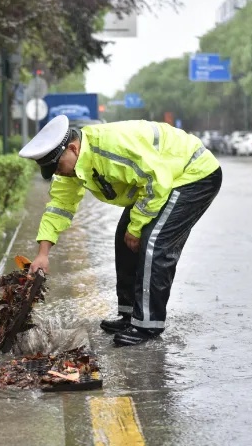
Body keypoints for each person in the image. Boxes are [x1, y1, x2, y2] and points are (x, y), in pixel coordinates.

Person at [18, 115, 222, 346]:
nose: (57, 173)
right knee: (123, 237)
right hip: (161, 180)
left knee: (154, 241)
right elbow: (58, 207)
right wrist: (43, 253)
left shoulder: (110, 149)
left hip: (194, 174)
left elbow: (157, 182)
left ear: (73, 148)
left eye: (57, 166)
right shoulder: (73, 165)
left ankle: (147, 325)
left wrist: (136, 229)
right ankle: (129, 314)